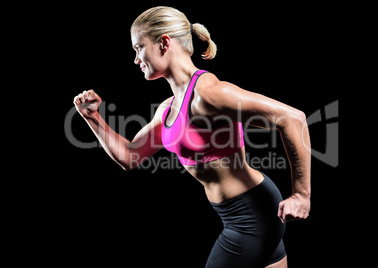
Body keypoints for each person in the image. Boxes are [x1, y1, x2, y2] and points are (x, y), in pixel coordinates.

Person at [73, 6, 311, 268]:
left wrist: (301, 194)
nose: (136, 59)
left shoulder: (208, 93)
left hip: (251, 216)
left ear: (164, 43)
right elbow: (130, 156)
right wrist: (92, 117)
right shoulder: (168, 108)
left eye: (139, 47)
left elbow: (292, 119)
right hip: (240, 214)